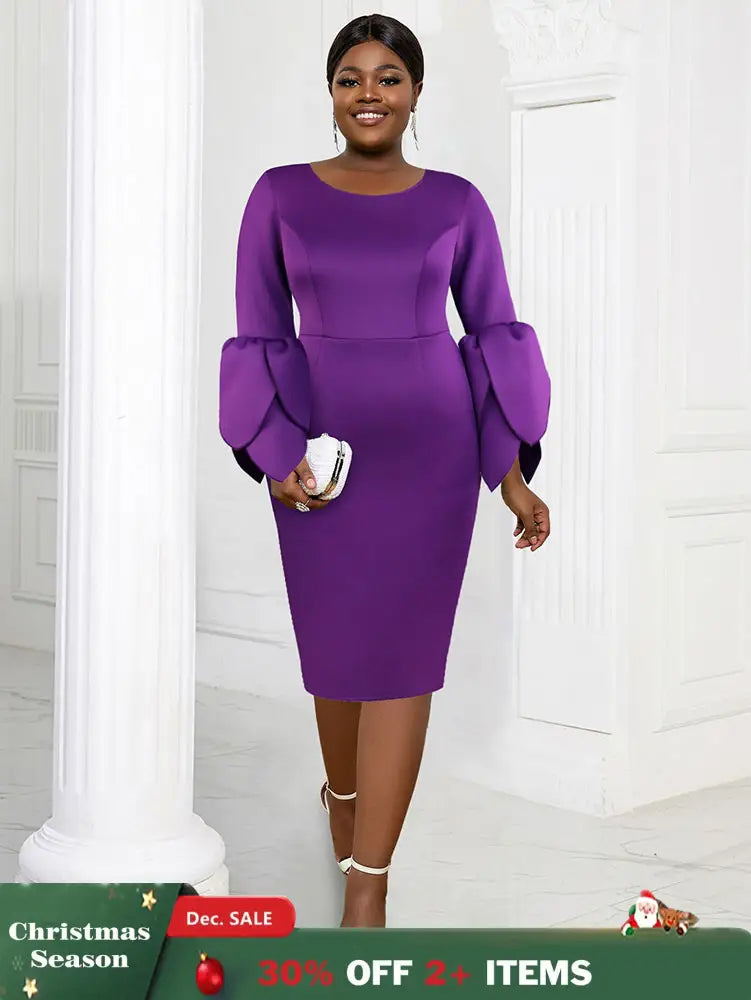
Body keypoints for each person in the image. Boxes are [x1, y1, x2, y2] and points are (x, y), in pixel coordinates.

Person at [218, 13, 551, 928]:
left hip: (432, 455)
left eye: (389, 76)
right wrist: (275, 454)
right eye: (351, 78)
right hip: (321, 453)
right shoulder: (278, 194)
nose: (369, 92)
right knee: (334, 653)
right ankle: (342, 800)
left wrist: (509, 474)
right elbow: (259, 330)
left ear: (415, 92)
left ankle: (369, 883)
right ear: (330, 94)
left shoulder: (457, 202)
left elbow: (491, 332)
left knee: (403, 658)